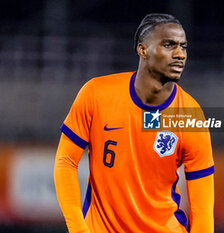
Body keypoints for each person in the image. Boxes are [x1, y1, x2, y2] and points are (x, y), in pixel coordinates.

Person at [54, 13, 215, 233]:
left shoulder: (190, 116)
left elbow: (203, 210)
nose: (180, 55)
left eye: (183, 47)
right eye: (169, 45)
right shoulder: (96, 94)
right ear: (143, 50)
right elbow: (65, 162)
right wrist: (79, 230)